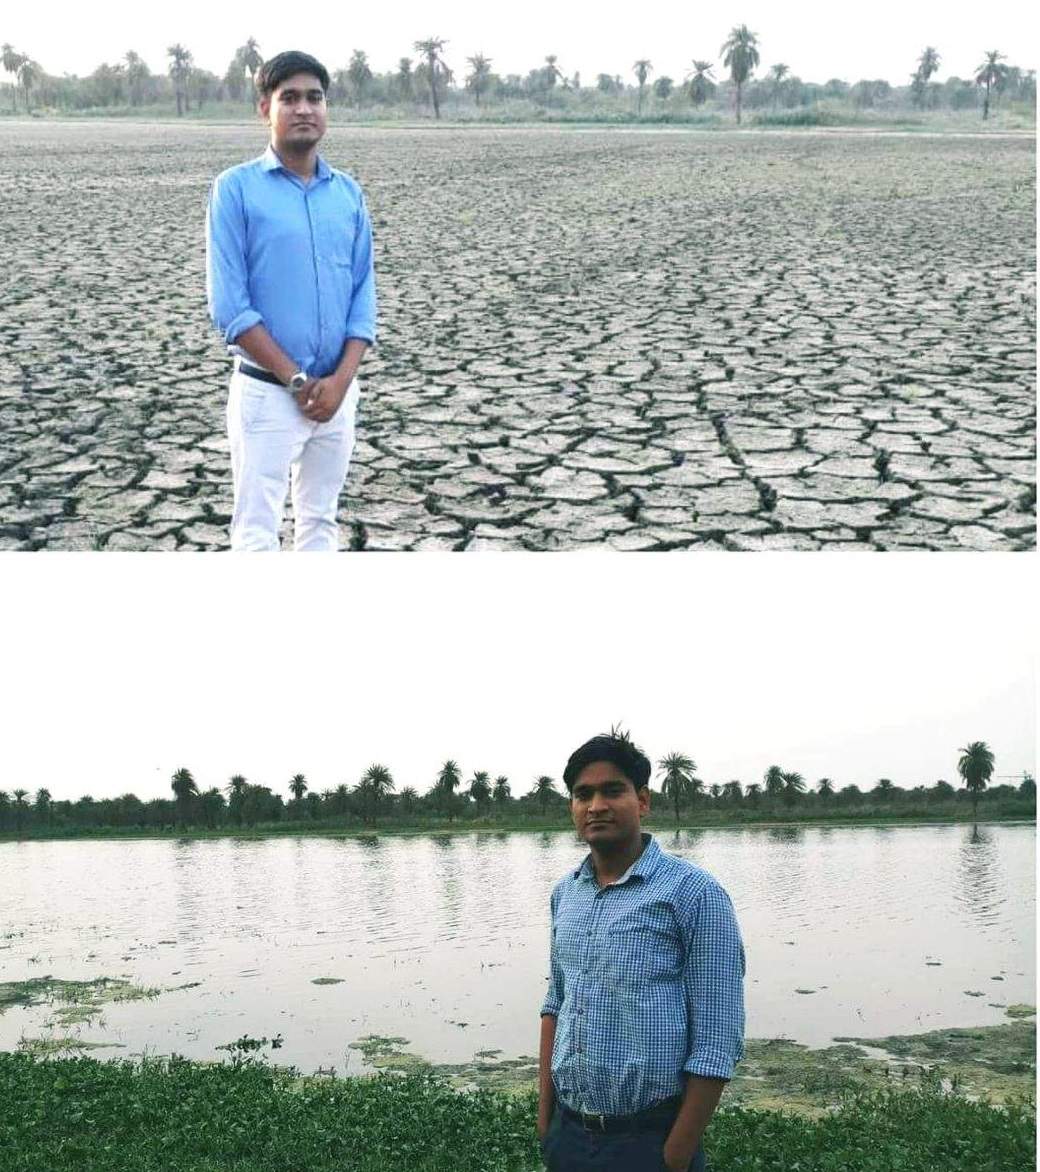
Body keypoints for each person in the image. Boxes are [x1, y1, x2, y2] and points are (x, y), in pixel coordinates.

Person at [538, 730, 745, 1172]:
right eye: (583, 794)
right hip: (569, 1137)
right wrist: (546, 1124)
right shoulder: (565, 896)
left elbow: (717, 1038)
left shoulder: (695, 895)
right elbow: (555, 1003)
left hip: (650, 1142)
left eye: (613, 790)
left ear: (643, 801)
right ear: (572, 807)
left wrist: (675, 1155)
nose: (596, 806)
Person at [205, 50, 376, 551]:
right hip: (268, 397)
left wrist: (340, 381)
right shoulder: (235, 190)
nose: (304, 108)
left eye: (315, 98)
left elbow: (363, 295)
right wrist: (297, 380)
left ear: (327, 108)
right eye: (290, 98)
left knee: (321, 522)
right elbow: (230, 308)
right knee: (258, 533)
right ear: (265, 108)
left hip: (337, 396)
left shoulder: (346, 193)